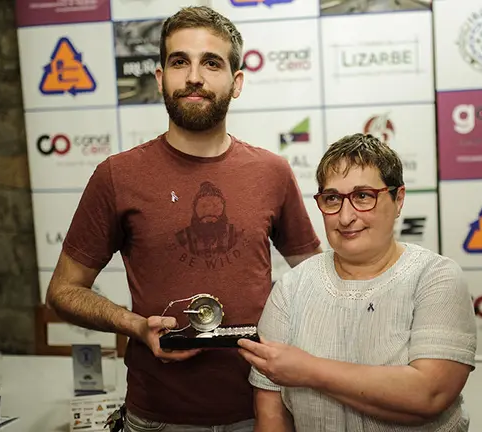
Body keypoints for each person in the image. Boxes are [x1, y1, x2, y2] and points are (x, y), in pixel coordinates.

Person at [45, 6, 322, 431]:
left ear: (237, 82)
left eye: (211, 63)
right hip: (156, 416)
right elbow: (63, 291)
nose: (194, 76)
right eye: (180, 62)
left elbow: (318, 280)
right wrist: (135, 326)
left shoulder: (273, 172)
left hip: (261, 411)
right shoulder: (117, 176)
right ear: (160, 78)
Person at [238, 133, 477, 431]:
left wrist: (306, 370)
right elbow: (271, 414)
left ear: (398, 199)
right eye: (333, 199)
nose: (346, 216)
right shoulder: (291, 288)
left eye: (363, 196)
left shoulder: (435, 277)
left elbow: (429, 394)